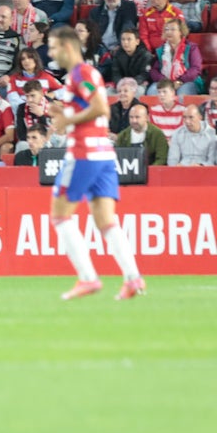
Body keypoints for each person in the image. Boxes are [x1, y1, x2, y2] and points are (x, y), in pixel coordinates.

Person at [43, 25, 145, 300]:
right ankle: (133, 278)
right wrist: (61, 111)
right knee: (105, 220)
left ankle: (88, 278)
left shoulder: (81, 73)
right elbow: (87, 108)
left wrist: (68, 119)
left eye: (53, 47)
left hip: (84, 154)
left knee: (60, 214)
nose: (51, 53)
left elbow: (100, 107)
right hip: (103, 154)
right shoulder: (85, 75)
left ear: (67, 47)